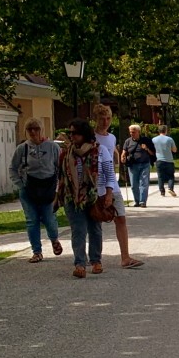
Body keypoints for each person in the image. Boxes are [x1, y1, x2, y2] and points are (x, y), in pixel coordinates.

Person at [92, 105, 143, 269]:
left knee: (120, 218)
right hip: (96, 187)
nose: (105, 122)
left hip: (112, 185)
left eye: (108, 118)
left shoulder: (112, 137)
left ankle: (125, 257)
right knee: (95, 222)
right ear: (95, 119)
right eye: (102, 118)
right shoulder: (91, 138)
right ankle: (95, 259)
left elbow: (112, 157)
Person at [9, 119, 62, 263]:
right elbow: (13, 168)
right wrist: (20, 184)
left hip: (48, 188)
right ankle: (37, 251)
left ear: (42, 130)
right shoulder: (22, 148)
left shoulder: (52, 147)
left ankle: (54, 239)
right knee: (32, 220)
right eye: (30, 129)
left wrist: (59, 188)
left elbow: (61, 168)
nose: (33, 132)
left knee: (49, 219)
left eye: (36, 129)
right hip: (29, 189)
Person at [57, 119, 106, 278]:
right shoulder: (66, 153)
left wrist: (108, 194)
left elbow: (108, 174)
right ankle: (79, 264)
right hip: (72, 197)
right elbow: (61, 176)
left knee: (95, 230)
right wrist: (58, 195)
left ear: (84, 134)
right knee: (78, 231)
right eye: (70, 132)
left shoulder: (97, 151)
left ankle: (96, 261)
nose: (72, 136)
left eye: (75, 133)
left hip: (92, 196)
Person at [121, 124, 155, 207]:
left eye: (133, 132)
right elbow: (124, 151)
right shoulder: (128, 141)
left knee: (144, 183)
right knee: (134, 185)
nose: (131, 134)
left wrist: (146, 149)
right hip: (133, 165)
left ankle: (142, 201)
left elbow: (153, 153)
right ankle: (137, 201)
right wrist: (123, 157)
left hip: (145, 164)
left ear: (138, 132)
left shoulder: (146, 140)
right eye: (130, 132)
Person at [152, 125, 177, 197]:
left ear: (158, 131)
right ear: (166, 130)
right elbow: (174, 150)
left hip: (159, 159)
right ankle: (170, 188)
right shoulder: (169, 139)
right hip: (169, 160)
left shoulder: (154, 139)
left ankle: (162, 192)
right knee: (171, 176)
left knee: (160, 177)